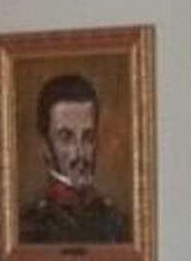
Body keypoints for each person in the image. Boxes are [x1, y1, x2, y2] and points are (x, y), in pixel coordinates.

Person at [17, 74, 132, 244]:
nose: (80, 153)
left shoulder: (117, 223)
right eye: (66, 137)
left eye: (88, 137)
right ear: (45, 146)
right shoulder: (28, 226)